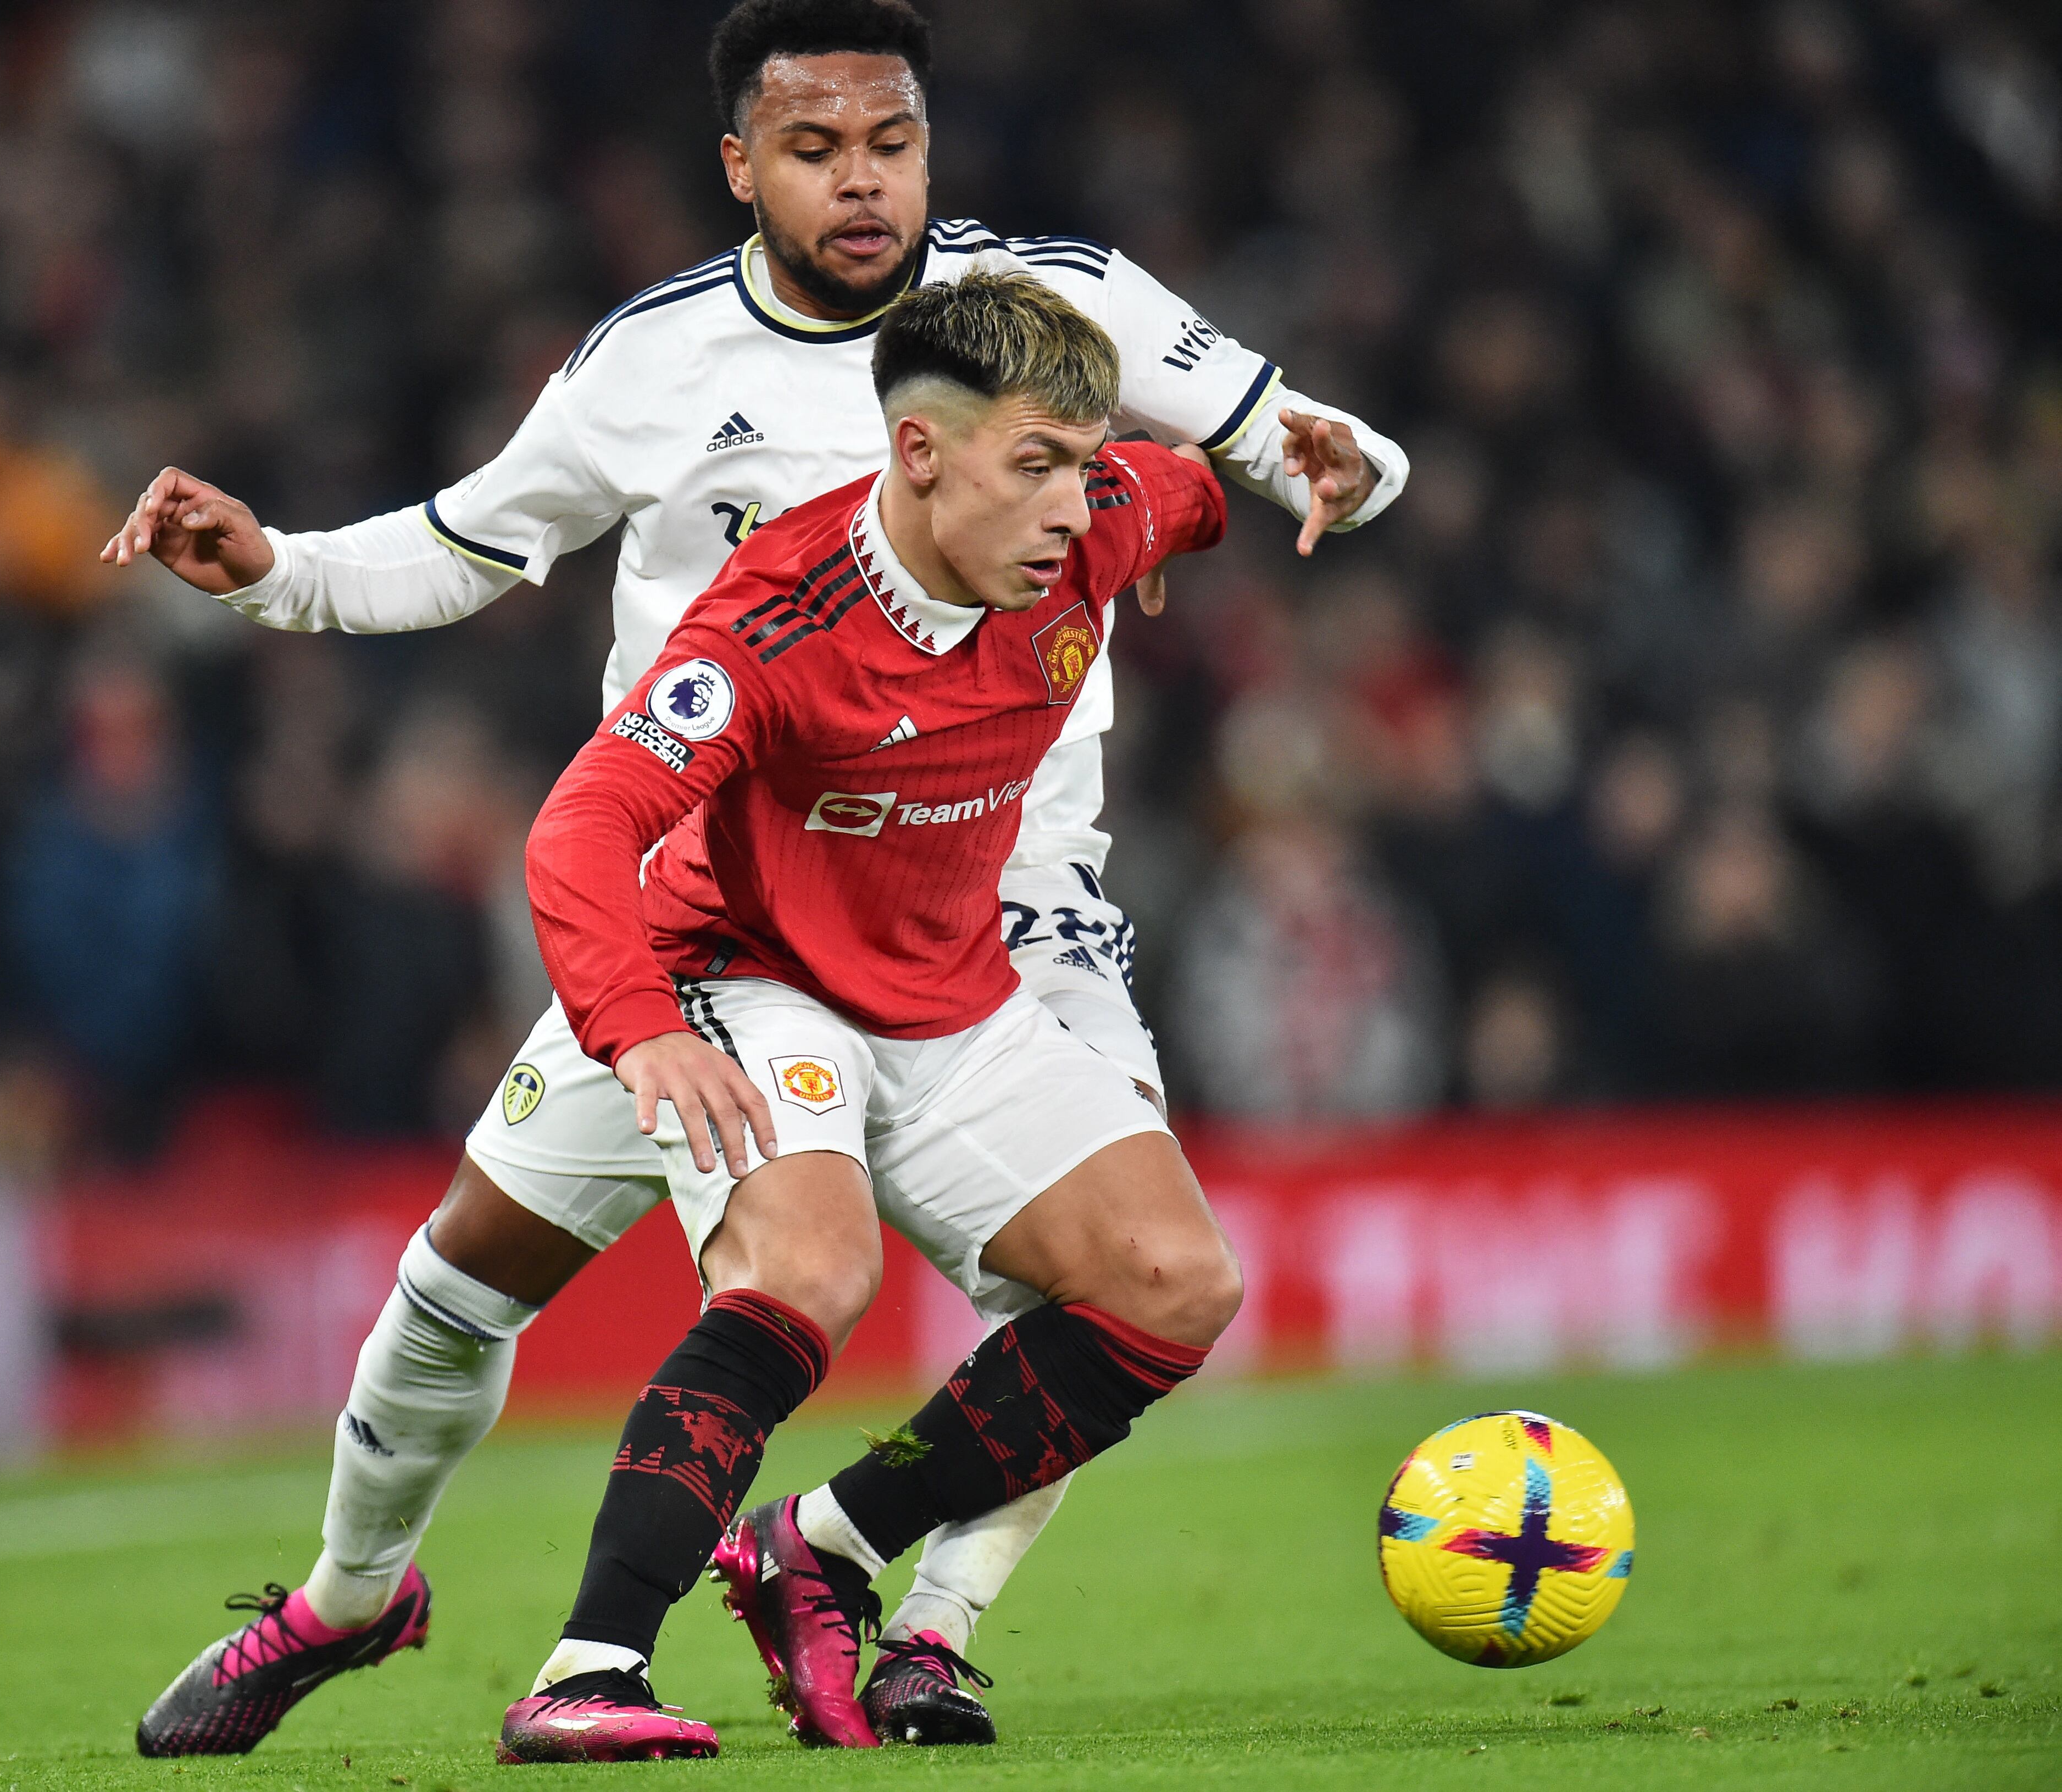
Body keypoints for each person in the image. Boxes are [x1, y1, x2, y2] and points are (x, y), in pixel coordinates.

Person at [120, 0, 1405, 1757]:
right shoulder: (649, 368)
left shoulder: (1058, 304)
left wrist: (1342, 463)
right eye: (816, 151)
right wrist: (280, 574)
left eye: (893, 144)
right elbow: (466, 543)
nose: (862, 182)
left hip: (1008, 895)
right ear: (740, 165)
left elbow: (1274, 444)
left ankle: (917, 1626)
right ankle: (351, 1599)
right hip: (708, 887)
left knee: (1091, 1282)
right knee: (464, 1280)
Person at [499, 271, 1241, 1761]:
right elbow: (581, 829)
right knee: (813, 1270)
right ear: (918, 454)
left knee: (1177, 1280)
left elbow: (1186, 488)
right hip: (756, 970)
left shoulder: (1094, 528)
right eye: (1034, 468)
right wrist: (640, 1024)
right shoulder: (779, 623)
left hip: (952, 990)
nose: (1070, 508)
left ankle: (825, 1544)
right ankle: (588, 1670)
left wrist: (1219, 501)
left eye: (1083, 470)